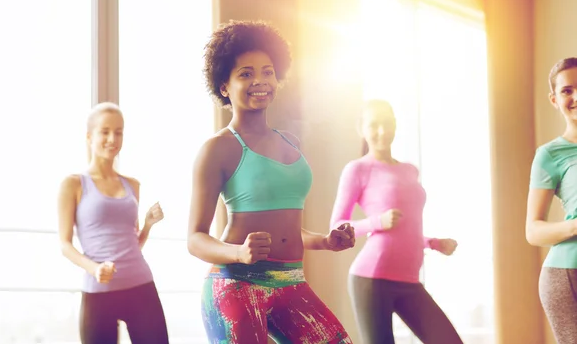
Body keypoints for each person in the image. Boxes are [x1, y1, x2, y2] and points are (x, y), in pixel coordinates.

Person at [187, 19, 355, 344]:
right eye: (245, 74)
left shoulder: (290, 141)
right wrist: (239, 253)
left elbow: (284, 225)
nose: (260, 81)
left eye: (267, 71)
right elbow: (195, 239)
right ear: (224, 86)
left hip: (292, 283)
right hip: (236, 285)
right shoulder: (217, 149)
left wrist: (325, 241)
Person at [329, 99, 463, 344]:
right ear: (362, 128)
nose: (382, 131)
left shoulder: (409, 170)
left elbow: (406, 230)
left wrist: (434, 243)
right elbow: (336, 226)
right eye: (374, 124)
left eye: (388, 123)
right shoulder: (357, 169)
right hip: (371, 280)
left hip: (409, 280)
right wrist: (376, 222)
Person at [57, 102, 169, 344]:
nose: (112, 138)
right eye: (104, 131)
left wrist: (148, 225)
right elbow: (65, 245)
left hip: (141, 285)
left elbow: (133, 243)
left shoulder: (132, 185)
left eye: (118, 132)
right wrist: (94, 269)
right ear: (89, 136)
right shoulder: (74, 184)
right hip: (99, 291)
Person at [526, 57, 577, 344]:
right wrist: (574, 227)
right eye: (567, 90)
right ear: (554, 99)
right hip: (568, 273)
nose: (575, 96)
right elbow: (532, 231)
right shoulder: (550, 154)